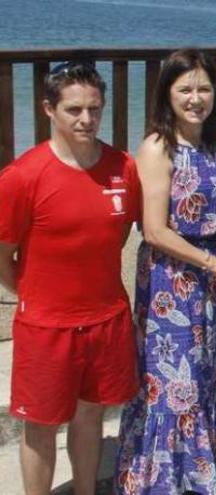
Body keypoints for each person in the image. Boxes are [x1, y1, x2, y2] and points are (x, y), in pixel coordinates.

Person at [0, 61, 140, 495]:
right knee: (39, 426)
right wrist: (31, 294)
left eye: (94, 109)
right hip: (46, 326)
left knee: (91, 416)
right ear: (49, 110)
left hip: (106, 319)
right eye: (74, 109)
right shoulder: (22, 176)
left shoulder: (123, 167)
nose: (86, 119)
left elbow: (116, 236)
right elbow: (3, 255)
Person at [115, 49, 216, 494]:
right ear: (167, 94)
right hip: (171, 278)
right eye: (185, 89)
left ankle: (203, 463)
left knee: (211, 367)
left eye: (204, 88)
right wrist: (214, 263)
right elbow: (152, 230)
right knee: (174, 377)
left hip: (214, 272)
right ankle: (163, 477)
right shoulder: (158, 146)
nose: (196, 98)